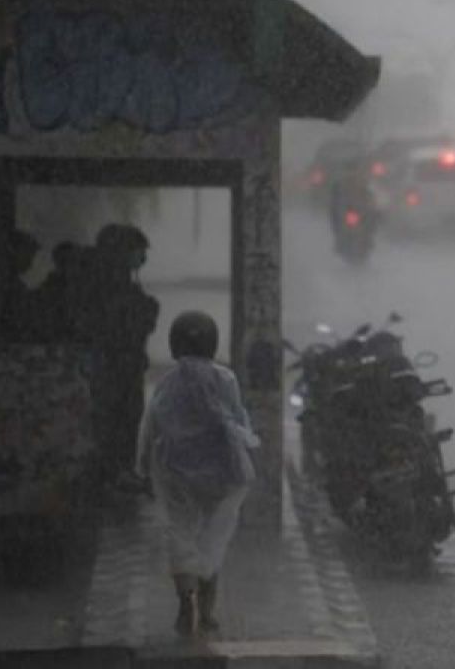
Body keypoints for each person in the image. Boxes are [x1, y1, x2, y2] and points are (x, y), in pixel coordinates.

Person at [134, 311, 259, 637]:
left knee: (180, 534)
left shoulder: (168, 382)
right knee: (212, 541)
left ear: (175, 345)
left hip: (175, 473)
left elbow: (150, 427)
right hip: (222, 474)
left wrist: (143, 468)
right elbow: (238, 421)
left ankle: (184, 603)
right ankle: (207, 613)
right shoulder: (225, 379)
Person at [91, 224, 160, 484]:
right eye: (138, 251)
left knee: (126, 416)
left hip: (125, 364)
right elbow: (118, 323)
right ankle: (115, 470)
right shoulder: (109, 284)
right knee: (117, 417)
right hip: (114, 365)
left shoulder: (121, 283)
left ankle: (119, 469)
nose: (142, 257)